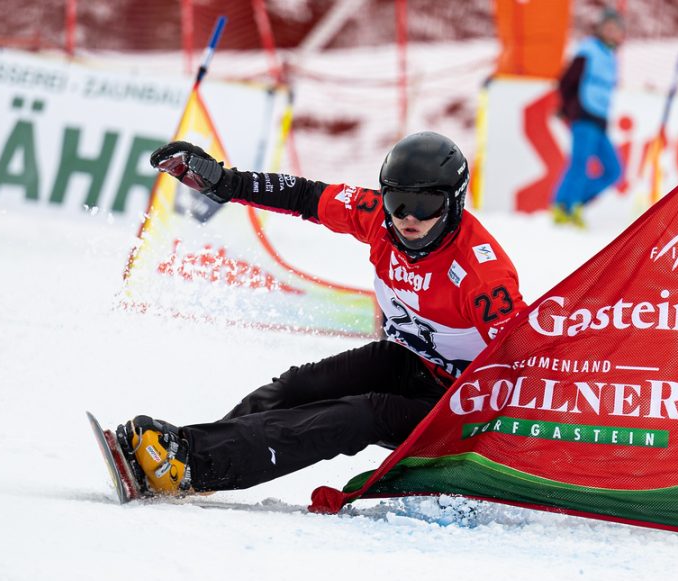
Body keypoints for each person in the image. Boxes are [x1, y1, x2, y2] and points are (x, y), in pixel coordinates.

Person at [116, 131, 526, 497]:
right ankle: (192, 455)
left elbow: (534, 362)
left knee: (357, 415)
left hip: (461, 410)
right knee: (297, 386)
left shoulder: (483, 277)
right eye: (398, 201)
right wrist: (226, 182)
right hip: (414, 364)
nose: (409, 219)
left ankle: (195, 464)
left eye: (426, 203)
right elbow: (304, 195)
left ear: (454, 200)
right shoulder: (380, 221)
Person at [551, 7, 626, 227]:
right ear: (600, 29)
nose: (612, 33)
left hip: (599, 121)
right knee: (579, 163)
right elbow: (566, 81)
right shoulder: (589, 50)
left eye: (616, 29)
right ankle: (564, 208)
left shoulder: (612, 57)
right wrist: (567, 108)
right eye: (608, 28)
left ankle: (571, 202)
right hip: (583, 116)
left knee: (614, 170)